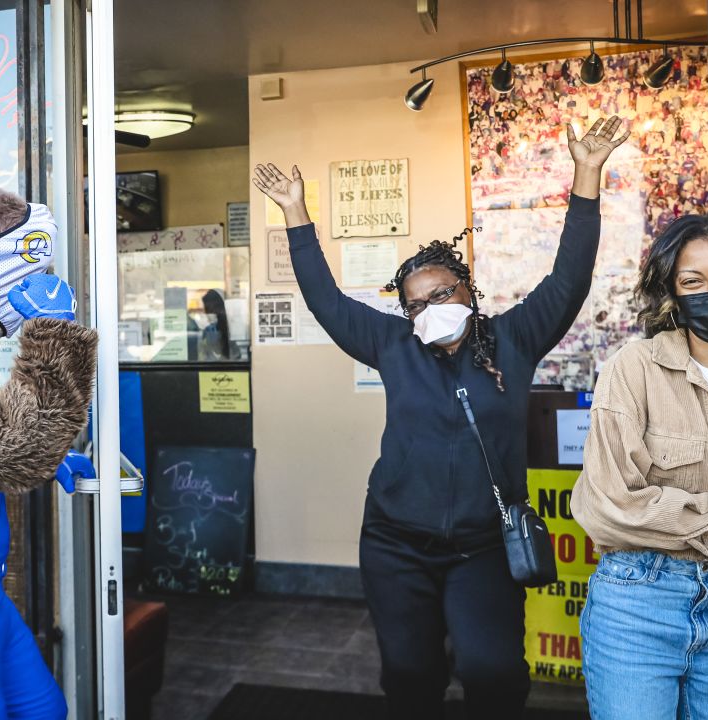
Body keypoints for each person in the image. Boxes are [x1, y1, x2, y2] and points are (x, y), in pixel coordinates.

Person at [254, 115, 628, 719]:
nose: (430, 308)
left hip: (484, 548)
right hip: (395, 543)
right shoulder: (392, 345)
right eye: (415, 303)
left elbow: (569, 279)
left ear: (467, 290)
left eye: (441, 294)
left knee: (494, 672)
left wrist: (586, 175)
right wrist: (296, 212)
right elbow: (325, 298)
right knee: (409, 674)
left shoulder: (516, 338)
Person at [571, 210, 708, 719]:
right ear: (673, 294)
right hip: (640, 602)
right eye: (694, 281)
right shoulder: (636, 370)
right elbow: (610, 505)